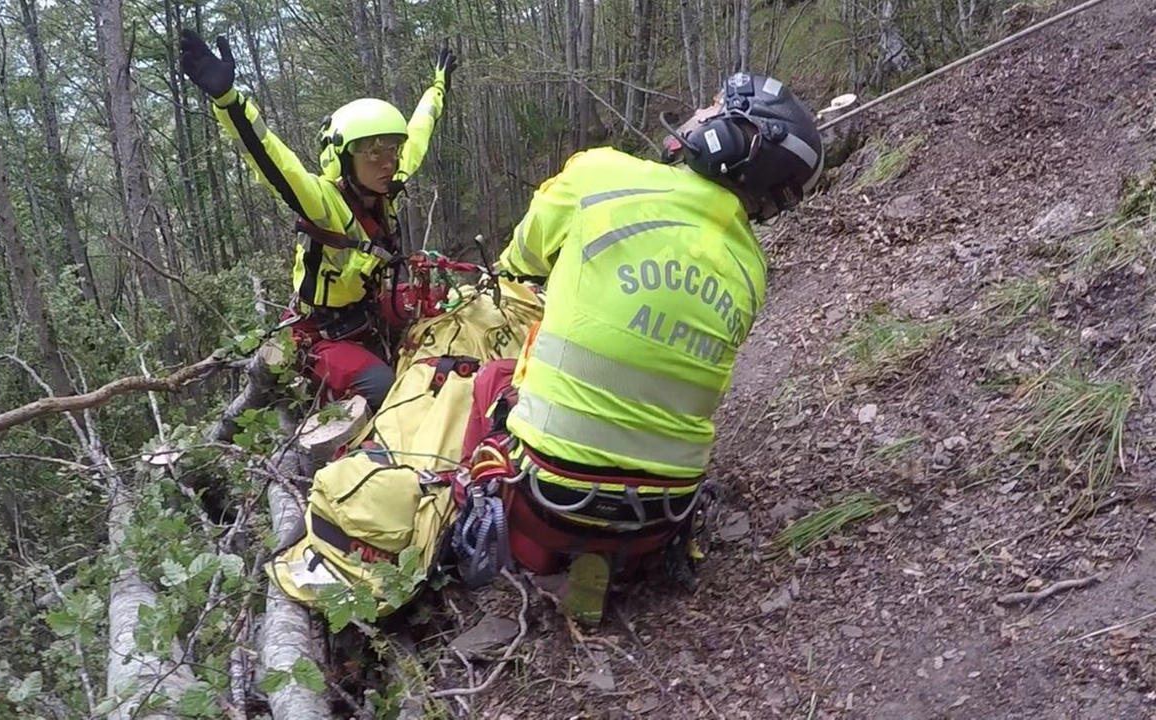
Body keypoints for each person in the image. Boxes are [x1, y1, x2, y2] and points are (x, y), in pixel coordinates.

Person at [458, 71, 824, 623]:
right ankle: (606, 561)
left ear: (726, 135)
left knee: (491, 382)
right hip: (659, 521)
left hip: (542, 511)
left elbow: (524, 255)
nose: (700, 112)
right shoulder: (752, 268)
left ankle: (468, 530)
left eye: (714, 105)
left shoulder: (602, 174)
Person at [178, 30, 459, 410]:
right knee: (384, 387)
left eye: (392, 151)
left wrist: (437, 86)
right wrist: (229, 101)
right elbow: (270, 158)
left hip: (365, 311)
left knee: (444, 310)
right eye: (373, 153)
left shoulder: (384, 186)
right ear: (344, 159)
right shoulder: (323, 202)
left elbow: (421, 128)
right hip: (320, 333)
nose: (388, 162)